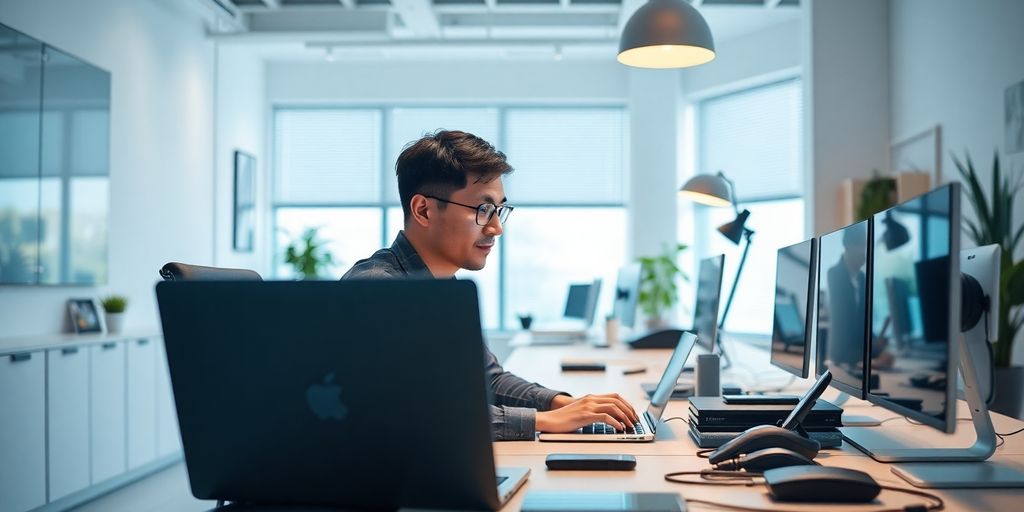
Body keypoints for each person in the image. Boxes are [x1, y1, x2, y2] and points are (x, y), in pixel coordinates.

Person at [342, 129, 638, 441]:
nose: (497, 228)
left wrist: (566, 404)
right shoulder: (375, 289)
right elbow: (409, 411)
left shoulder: (443, 291)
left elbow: (487, 379)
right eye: (483, 210)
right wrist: (544, 420)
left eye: (499, 211)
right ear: (423, 210)